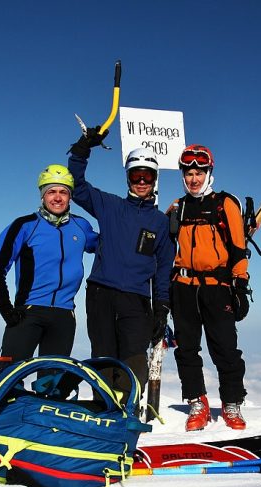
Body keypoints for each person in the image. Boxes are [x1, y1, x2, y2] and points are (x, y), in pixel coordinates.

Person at [67, 129, 174, 402]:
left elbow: (164, 267)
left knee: (134, 357)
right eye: (136, 175)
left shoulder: (161, 222)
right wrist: (82, 149)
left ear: (154, 179)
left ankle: (125, 409)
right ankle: (103, 409)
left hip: (137, 298)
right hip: (101, 292)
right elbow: (77, 186)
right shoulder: (110, 205)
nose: (141, 181)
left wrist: (161, 306)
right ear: (128, 177)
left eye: (147, 176)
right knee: (103, 354)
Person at [166, 144, 250, 431]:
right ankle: (197, 403)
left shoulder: (225, 203)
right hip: (183, 287)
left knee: (225, 348)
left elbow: (239, 248)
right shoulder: (178, 207)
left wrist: (240, 286)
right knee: (186, 349)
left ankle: (231, 403)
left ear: (208, 172)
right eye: (188, 173)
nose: (194, 179)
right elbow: (165, 249)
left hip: (217, 287)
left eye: (199, 172)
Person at [0, 164, 98, 369]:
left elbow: (107, 247)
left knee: (51, 385)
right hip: (27, 313)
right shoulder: (24, 226)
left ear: (70, 196)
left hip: (64, 316)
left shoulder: (81, 226)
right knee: (9, 379)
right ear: (42, 196)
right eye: (51, 192)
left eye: (63, 192)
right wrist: (6, 309)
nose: (57, 197)